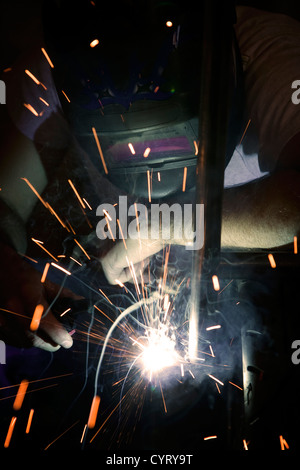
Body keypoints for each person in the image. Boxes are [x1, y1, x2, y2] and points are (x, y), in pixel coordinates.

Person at [0, 2, 299, 352]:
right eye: (118, 146)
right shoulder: (58, 67)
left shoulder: (273, 56)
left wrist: (162, 226)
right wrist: (7, 266)